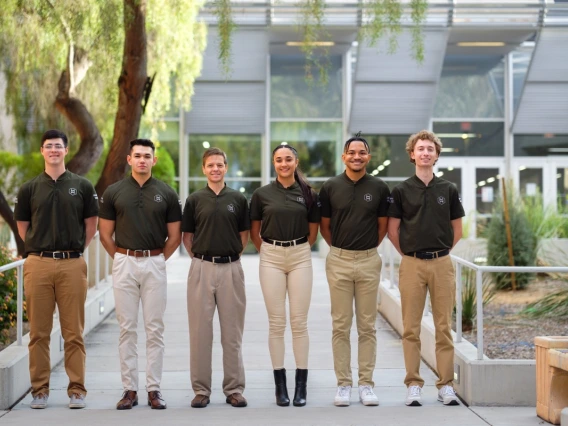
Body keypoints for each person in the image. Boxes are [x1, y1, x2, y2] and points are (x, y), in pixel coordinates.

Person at [14, 129, 99, 410]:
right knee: (38, 332)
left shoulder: (82, 186)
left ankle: (77, 391)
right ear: (42, 151)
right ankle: (40, 391)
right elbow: (23, 227)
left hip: (72, 263)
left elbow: (91, 225)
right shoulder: (29, 189)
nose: (53, 150)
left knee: (73, 332)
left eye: (58, 146)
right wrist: (40, 251)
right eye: (48, 146)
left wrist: (74, 252)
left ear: (66, 150)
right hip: (38, 264)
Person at [98, 139, 181, 410]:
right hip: (124, 262)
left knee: (155, 328)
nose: (142, 160)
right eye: (138, 156)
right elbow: (105, 234)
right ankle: (129, 390)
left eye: (147, 156)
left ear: (154, 160)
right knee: (127, 329)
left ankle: (154, 389)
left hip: (155, 261)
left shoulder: (167, 193)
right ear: (129, 159)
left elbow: (175, 236)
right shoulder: (114, 192)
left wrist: (155, 259)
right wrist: (123, 257)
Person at [387, 130, 464, 407]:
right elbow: (392, 231)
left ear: (436, 154)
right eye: (420, 149)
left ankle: (446, 385)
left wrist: (441, 254)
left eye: (430, 149)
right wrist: (410, 255)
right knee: (411, 328)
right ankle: (413, 384)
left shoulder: (448, 189)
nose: (425, 153)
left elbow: (458, 229)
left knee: (444, 327)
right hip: (412, 264)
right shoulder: (400, 190)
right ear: (412, 154)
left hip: (442, 263)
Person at [319, 135, 390, 407]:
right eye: (352, 152)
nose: (356, 156)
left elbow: (382, 226)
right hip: (338, 260)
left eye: (362, 153)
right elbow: (325, 226)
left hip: (369, 260)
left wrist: (368, 250)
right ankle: (343, 385)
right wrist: (339, 250)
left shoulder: (380, 187)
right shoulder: (330, 187)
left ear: (368, 157)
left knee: (367, 326)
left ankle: (366, 385)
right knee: (340, 325)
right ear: (344, 156)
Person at [250, 144, 320, 407]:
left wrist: (299, 247)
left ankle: (301, 386)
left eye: (288, 159)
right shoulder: (261, 194)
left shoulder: (308, 194)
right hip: (271, 256)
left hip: (300, 255)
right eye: (279, 160)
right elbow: (255, 229)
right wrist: (268, 251)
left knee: (299, 322)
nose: (283, 164)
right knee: (277, 322)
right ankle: (280, 387)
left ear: (295, 161)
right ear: (273, 163)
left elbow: (313, 232)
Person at [182, 148, 250, 409]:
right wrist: (201, 260)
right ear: (204, 169)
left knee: (232, 333)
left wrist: (230, 257)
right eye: (210, 165)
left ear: (226, 167)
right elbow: (188, 237)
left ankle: (234, 389)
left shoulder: (238, 199)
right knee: (200, 332)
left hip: (231, 269)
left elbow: (244, 235)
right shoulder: (195, 199)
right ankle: (201, 390)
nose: (215, 169)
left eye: (220, 165)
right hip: (201, 268)